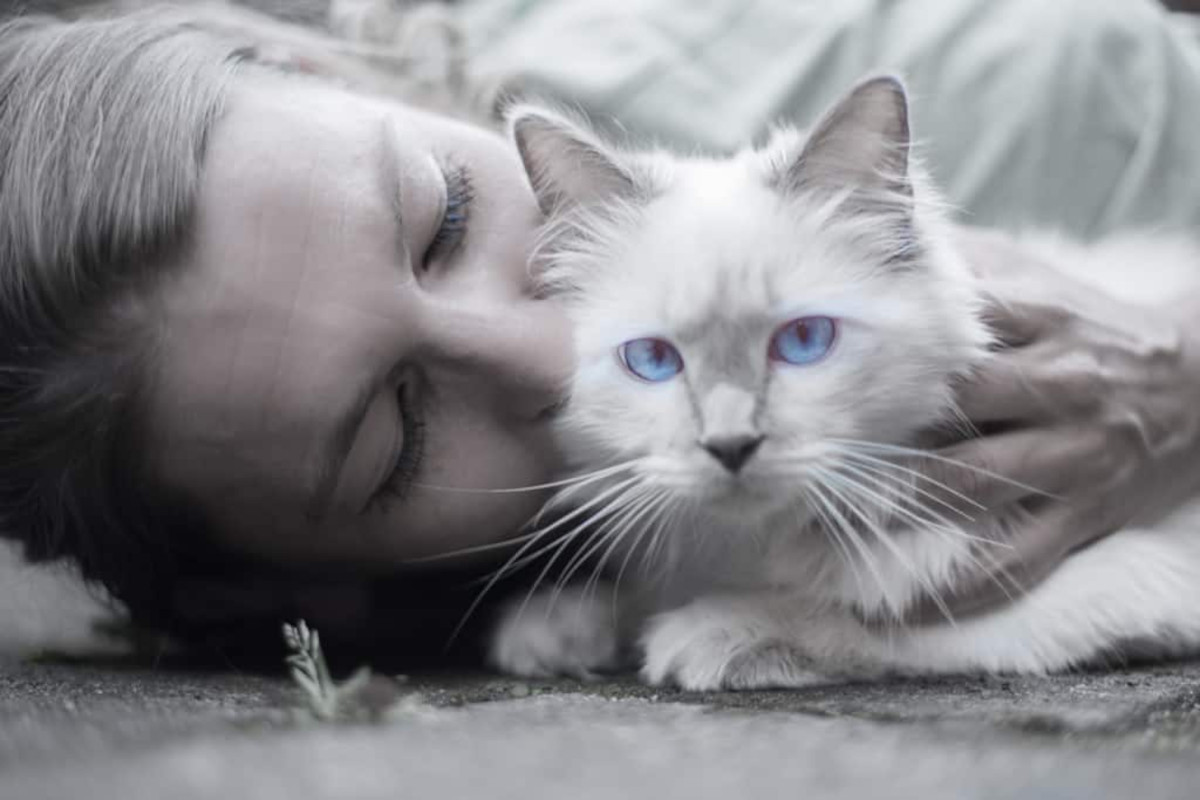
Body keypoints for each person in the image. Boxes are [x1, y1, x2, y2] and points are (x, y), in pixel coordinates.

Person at [1, 1, 1199, 663]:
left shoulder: (761, 72)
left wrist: (1183, 364)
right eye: (399, 436)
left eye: (447, 216)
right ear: (295, 593)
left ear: (321, 59)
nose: (543, 354)